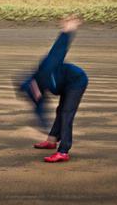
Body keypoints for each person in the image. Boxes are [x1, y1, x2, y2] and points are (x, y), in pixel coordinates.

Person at [19, 16, 88, 163]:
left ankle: (63, 151)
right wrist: (44, 125)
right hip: (64, 84)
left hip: (77, 80)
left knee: (66, 113)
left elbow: (58, 50)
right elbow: (40, 109)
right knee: (60, 110)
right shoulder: (33, 91)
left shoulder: (46, 68)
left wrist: (68, 29)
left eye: (35, 94)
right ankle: (51, 140)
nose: (37, 97)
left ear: (34, 85)